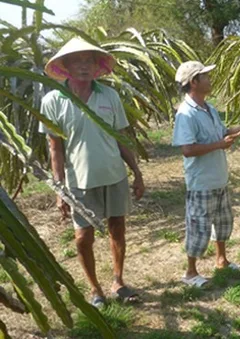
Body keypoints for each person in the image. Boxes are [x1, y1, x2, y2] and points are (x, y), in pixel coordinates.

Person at [39, 38, 145, 307]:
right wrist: (59, 189)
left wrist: (136, 172)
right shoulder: (53, 100)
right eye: (77, 61)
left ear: (96, 66)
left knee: (117, 228)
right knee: (82, 237)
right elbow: (56, 149)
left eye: (88, 60)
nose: (84, 66)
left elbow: (120, 138)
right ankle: (95, 289)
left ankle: (118, 280)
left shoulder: (109, 96)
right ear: (65, 66)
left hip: (114, 175)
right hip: (79, 182)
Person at [172, 61, 240, 287]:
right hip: (201, 182)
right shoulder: (186, 114)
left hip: (219, 178)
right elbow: (187, 149)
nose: (210, 80)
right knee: (198, 227)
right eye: (205, 76)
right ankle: (191, 273)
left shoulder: (208, 108)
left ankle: (221, 260)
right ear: (194, 82)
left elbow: (224, 132)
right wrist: (219, 145)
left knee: (222, 222)